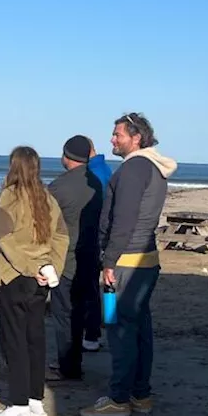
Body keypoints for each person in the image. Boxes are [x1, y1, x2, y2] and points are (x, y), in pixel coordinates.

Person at [81, 113, 177, 416]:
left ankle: (119, 399)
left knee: (120, 329)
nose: (112, 139)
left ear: (136, 138)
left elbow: (123, 220)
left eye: (117, 134)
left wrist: (108, 262)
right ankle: (140, 394)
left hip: (125, 263)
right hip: (143, 260)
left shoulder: (135, 168)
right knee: (138, 328)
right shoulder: (152, 166)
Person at [0, 146, 69, 416]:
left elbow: (4, 237)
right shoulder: (47, 197)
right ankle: (35, 400)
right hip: (41, 276)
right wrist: (52, 268)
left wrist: (30, 268)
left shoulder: (10, 196)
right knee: (34, 337)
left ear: (14, 166)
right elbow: (61, 237)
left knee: (15, 340)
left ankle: (20, 404)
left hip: (16, 276)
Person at [46, 135, 106, 381]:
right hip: (91, 256)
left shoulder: (58, 187)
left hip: (66, 259)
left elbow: (44, 225)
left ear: (66, 156)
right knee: (80, 310)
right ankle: (74, 359)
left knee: (63, 314)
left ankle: (68, 366)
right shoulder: (97, 183)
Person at [82, 141, 112, 352]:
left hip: (96, 237)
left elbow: (97, 208)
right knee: (105, 285)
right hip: (104, 236)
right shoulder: (103, 168)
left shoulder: (95, 174)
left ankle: (93, 334)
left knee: (92, 286)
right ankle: (106, 325)